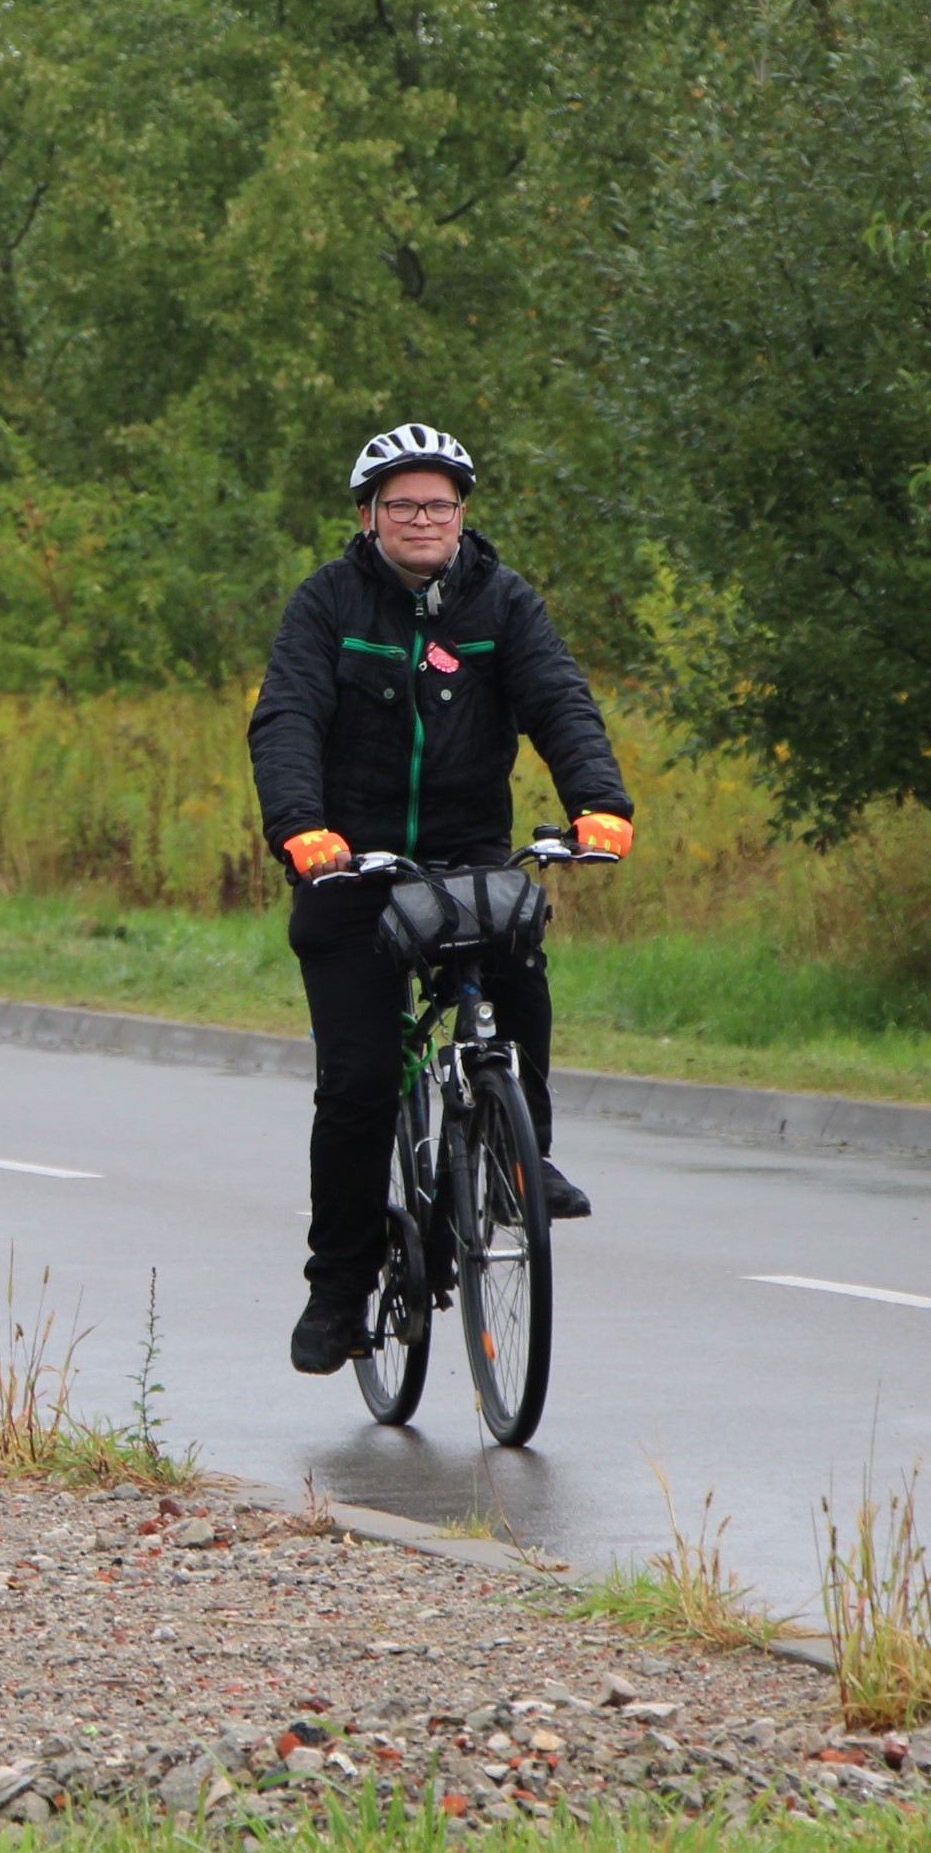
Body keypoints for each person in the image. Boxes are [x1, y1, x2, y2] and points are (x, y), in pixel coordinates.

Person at [247, 424, 636, 1376]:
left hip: (464, 852)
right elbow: (287, 715)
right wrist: (303, 829)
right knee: (360, 1083)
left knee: (520, 962)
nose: (423, 520)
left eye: (440, 505)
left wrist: (598, 802)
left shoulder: (502, 602)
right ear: (370, 516)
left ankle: (518, 1154)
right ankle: (337, 1286)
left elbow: (558, 698)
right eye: (403, 505)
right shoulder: (328, 603)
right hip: (350, 863)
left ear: (461, 514)